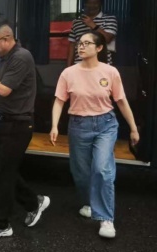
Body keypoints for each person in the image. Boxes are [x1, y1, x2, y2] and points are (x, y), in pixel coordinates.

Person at [50, 31, 139, 239]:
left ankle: (106, 218)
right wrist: (54, 125)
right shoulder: (68, 73)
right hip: (78, 125)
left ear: (99, 48)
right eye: (80, 43)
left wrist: (133, 128)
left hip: (105, 124)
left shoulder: (110, 72)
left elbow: (121, 101)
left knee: (101, 169)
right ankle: (89, 203)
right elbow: (59, 101)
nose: (81, 47)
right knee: (81, 172)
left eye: (87, 43)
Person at [0, 19, 50, 239]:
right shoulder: (6, 56)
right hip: (5, 121)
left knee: (3, 175)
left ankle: (1, 224)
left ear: (6, 39)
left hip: (18, 123)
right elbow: (4, 77)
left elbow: (4, 89)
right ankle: (33, 202)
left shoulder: (21, 56)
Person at [68, 0, 118, 65]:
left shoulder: (110, 19)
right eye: (89, 3)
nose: (91, 6)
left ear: (100, 4)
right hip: (79, 65)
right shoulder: (76, 22)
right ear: (85, 4)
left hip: (102, 65)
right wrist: (68, 67)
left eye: (95, 3)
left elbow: (107, 39)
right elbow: (72, 46)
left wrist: (93, 25)